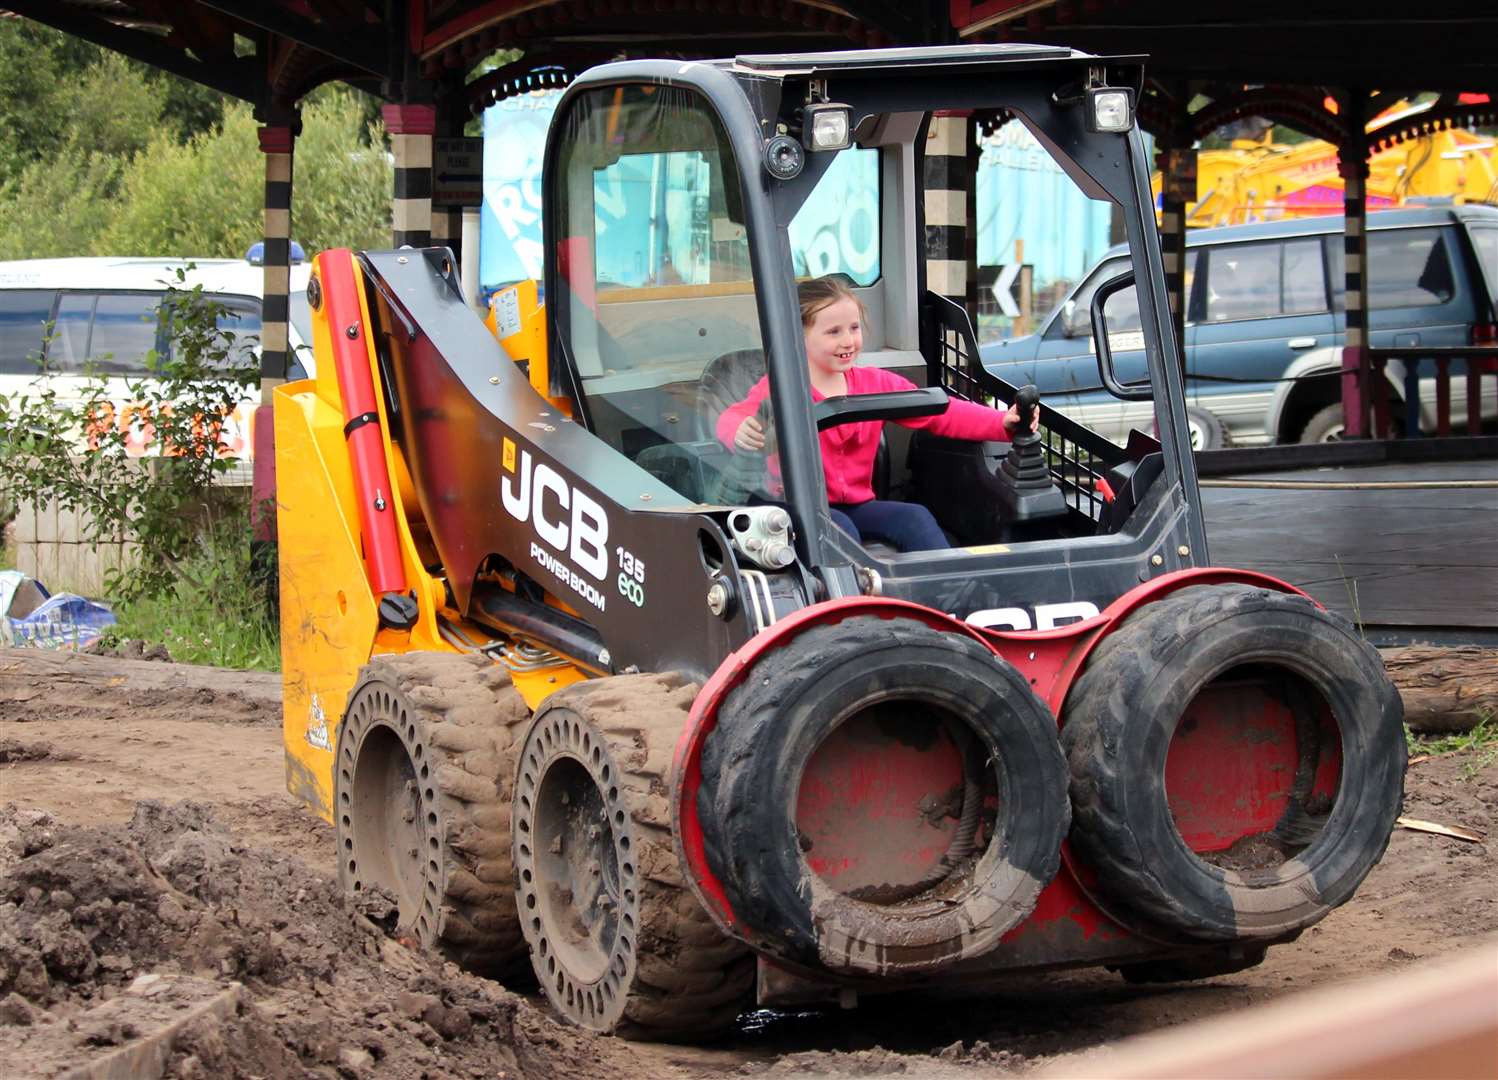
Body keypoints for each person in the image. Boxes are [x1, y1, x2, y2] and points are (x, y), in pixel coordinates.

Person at [715, 275, 1037, 552]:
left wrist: (1002, 423)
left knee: (916, 519)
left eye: (854, 328)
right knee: (839, 531)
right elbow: (731, 418)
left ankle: (945, 606)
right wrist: (740, 429)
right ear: (797, 337)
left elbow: (940, 412)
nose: (848, 341)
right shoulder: (780, 386)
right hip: (797, 508)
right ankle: (858, 615)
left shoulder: (874, 383)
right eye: (833, 332)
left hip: (858, 505)